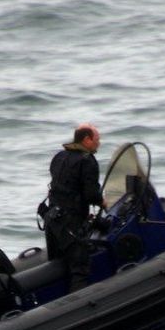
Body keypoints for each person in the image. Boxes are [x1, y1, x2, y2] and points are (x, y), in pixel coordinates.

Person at [44, 123, 105, 292]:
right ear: (87, 139)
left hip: (52, 221)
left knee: (58, 267)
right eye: (97, 139)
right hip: (70, 225)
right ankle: (80, 310)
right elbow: (91, 194)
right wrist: (104, 202)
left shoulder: (59, 156)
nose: (99, 143)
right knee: (80, 269)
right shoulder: (87, 161)